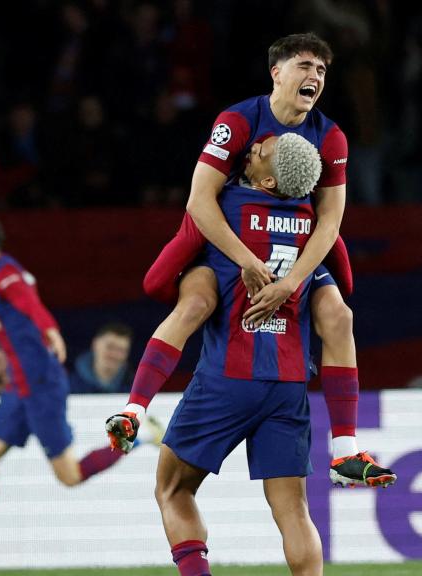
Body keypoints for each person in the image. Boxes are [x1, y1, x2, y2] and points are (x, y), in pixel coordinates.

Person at [112, 32, 394, 488]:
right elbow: (200, 202)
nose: (315, 76)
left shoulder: (331, 136)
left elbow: (330, 221)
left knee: (339, 315)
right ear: (276, 73)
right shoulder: (239, 121)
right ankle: (133, 409)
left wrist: (293, 282)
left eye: (322, 70)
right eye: (305, 66)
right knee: (193, 305)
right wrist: (243, 259)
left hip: (293, 244)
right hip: (227, 239)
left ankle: (344, 451)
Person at [120, 132, 325, 576]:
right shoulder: (313, 218)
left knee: (173, 489)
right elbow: (343, 275)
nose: (250, 148)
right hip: (289, 382)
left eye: (260, 152)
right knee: (294, 511)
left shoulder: (222, 205)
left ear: (268, 181)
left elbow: (156, 279)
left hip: (229, 377)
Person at [0, 215, 161, 572]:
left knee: (70, 476)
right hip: (18, 388)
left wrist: (50, 330)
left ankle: (138, 435)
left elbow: (30, 304)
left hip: (40, 388)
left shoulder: (5, 275)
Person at [69, 322, 134, 394]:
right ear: (95, 344)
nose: (114, 355)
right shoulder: (68, 385)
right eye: (110, 347)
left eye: (121, 350)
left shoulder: (135, 388)